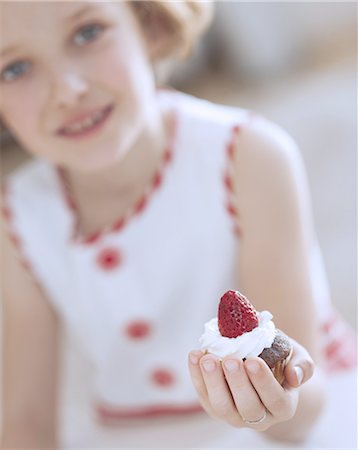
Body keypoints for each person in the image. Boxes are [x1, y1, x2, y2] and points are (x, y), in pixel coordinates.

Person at [0, 2, 355, 448]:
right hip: (134, 433)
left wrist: (276, 400)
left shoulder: (249, 155)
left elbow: (301, 409)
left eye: (88, 33)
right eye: (14, 69)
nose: (67, 89)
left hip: (286, 429)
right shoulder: (18, 216)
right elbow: (26, 424)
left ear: (149, 23)